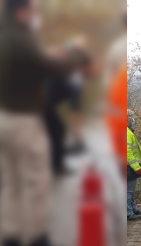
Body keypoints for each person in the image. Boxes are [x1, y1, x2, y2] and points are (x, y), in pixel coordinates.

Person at [0, 0, 89, 246]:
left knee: (10, 180)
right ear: (20, 11)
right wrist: (75, 51)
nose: (35, 15)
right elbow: (55, 68)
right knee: (36, 180)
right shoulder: (22, 37)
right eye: (32, 9)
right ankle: (36, 242)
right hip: (23, 120)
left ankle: (11, 238)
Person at [43, 48, 92, 177]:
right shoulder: (72, 78)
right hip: (39, 105)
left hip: (42, 104)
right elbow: (75, 109)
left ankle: (55, 165)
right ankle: (56, 167)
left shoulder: (66, 74)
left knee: (56, 131)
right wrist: (77, 137)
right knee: (56, 132)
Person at [126, 109, 141, 221]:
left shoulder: (128, 131)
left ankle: (133, 209)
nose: (133, 119)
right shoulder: (126, 132)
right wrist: (136, 167)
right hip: (129, 167)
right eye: (131, 117)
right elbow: (127, 151)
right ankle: (128, 213)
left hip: (130, 167)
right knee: (128, 191)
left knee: (131, 190)